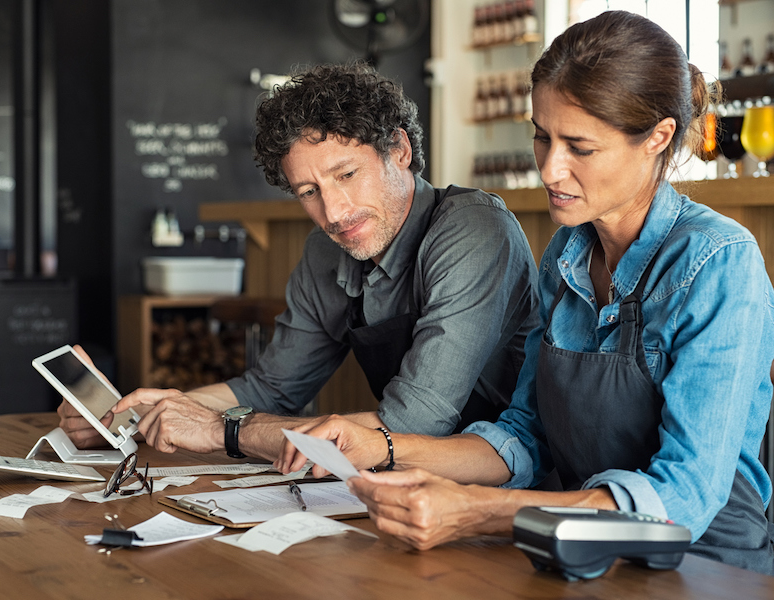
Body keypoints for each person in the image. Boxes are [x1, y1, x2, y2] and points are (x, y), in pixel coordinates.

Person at [277, 12, 774, 575]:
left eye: (579, 147)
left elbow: (684, 496)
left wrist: (481, 512)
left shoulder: (718, 262)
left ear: (657, 137)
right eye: (542, 136)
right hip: (577, 552)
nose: (550, 168)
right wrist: (382, 447)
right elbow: (524, 435)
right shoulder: (566, 255)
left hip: (704, 570)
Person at [58, 62, 539, 461]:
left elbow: (412, 424)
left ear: (399, 150)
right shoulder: (326, 251)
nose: (334, 213)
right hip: (406, 486)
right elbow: (271, 387)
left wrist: (224, 431)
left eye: (347, 174)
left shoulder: (474, 231)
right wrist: (134, 414)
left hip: (509, 483)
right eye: (309, 192)